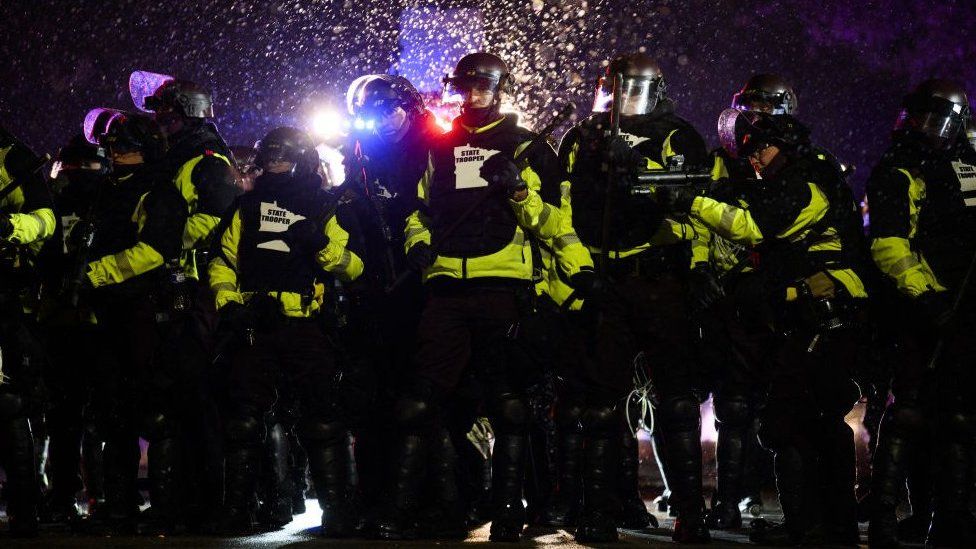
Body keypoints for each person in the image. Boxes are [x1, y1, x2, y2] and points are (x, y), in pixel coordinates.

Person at [374, 51, 588, 543]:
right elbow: (418, 212)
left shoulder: (527, 146)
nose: (471, 96)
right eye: (463, 87)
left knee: (511, 405)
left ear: (499, 88)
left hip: (503, 288)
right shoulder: (440, 147)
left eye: (481, 87)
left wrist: (519, 194)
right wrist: (417, 244)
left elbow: (558, 224)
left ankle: (509, 510)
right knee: (421, 404)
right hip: (446, 290)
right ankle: (414, 508)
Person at [664, 108, 866, 545]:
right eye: (749, 153)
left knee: (799, 420)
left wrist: (693, 201)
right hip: (809, 314)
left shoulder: (807, 181)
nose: (754, 161)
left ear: (784, 145)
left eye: (761, 149)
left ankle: (821, 526)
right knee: (801, 421)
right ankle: (821, 525)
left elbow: (756, 228)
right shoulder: (795, 177)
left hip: (830, 314)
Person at [558, 51, 710, 543]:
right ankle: (600, 512)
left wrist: (636, 164)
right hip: (603, 276)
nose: (623, 99)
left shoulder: (676, 134)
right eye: (616, 88)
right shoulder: (581, 136)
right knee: (601, 402)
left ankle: (692, 514)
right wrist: (578, 269)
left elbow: (689, 193)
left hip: (657, 277)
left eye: (634, 89)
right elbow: (563, 205)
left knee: (678, 401)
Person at [209, 126, 364, 537]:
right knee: (243, 420)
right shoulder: (245, 206)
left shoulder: (324, 203)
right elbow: (222, 262)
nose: (276, 165)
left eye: (283, 158)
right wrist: (231, 306)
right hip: (255, 325)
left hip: (306, 323)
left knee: (323, 419)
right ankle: (241, 509)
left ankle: (338, 511)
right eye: (270, 159)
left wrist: (319, 244)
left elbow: (353, 267)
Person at [866, 79, 976, 549]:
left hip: (965, 307)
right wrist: (926, 298)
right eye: (929, 118)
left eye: (945, 121)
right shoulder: (899, 166)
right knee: (905, 411)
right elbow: (890, 244)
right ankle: (885, 516)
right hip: (916, 306)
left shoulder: (966, 164)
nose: (936, 129)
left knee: (957, 415)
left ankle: (949, 519)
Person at [0, 125, 57, 537]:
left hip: (4, 291)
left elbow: (46, 218)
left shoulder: (12, 155)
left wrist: (10, 226)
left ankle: (25, 508)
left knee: (9, 402)